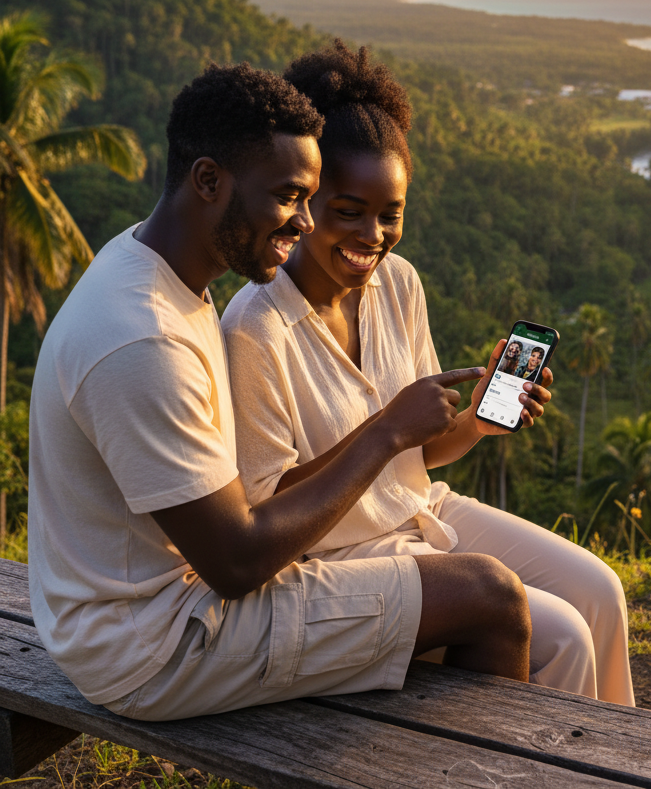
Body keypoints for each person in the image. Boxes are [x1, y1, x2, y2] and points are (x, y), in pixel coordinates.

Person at [28, 62, 533, 722]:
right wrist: (385, 431)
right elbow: (236, 563)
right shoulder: (144, 337)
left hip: (152, 608)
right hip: (153, 643)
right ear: (209, 180)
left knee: (470, 588)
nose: (303, 223)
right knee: (489, 596)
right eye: (290, 196)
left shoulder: (159, 273)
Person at [222, 41, 634, 706]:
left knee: (600, 592)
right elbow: (262, 511)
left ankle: (613, 764)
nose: (372, 238)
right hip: (336, 561)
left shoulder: (398, 285)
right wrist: (386, 427)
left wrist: (474, 419)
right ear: (305, 200)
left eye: (391, 216)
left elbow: (422, 451)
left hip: (421, 514)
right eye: (348, 211)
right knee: (561, 634)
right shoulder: (256, 328)